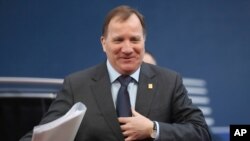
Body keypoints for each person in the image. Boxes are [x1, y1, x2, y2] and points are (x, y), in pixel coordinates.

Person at [20, 5, 211, 141]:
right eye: (118, 40)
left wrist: (153, 129)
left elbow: (200, 132)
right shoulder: (76, 85)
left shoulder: (169, 82)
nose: (127, 49)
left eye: (134, 40)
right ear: (104, 43)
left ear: (144, 41)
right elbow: (43, 135)